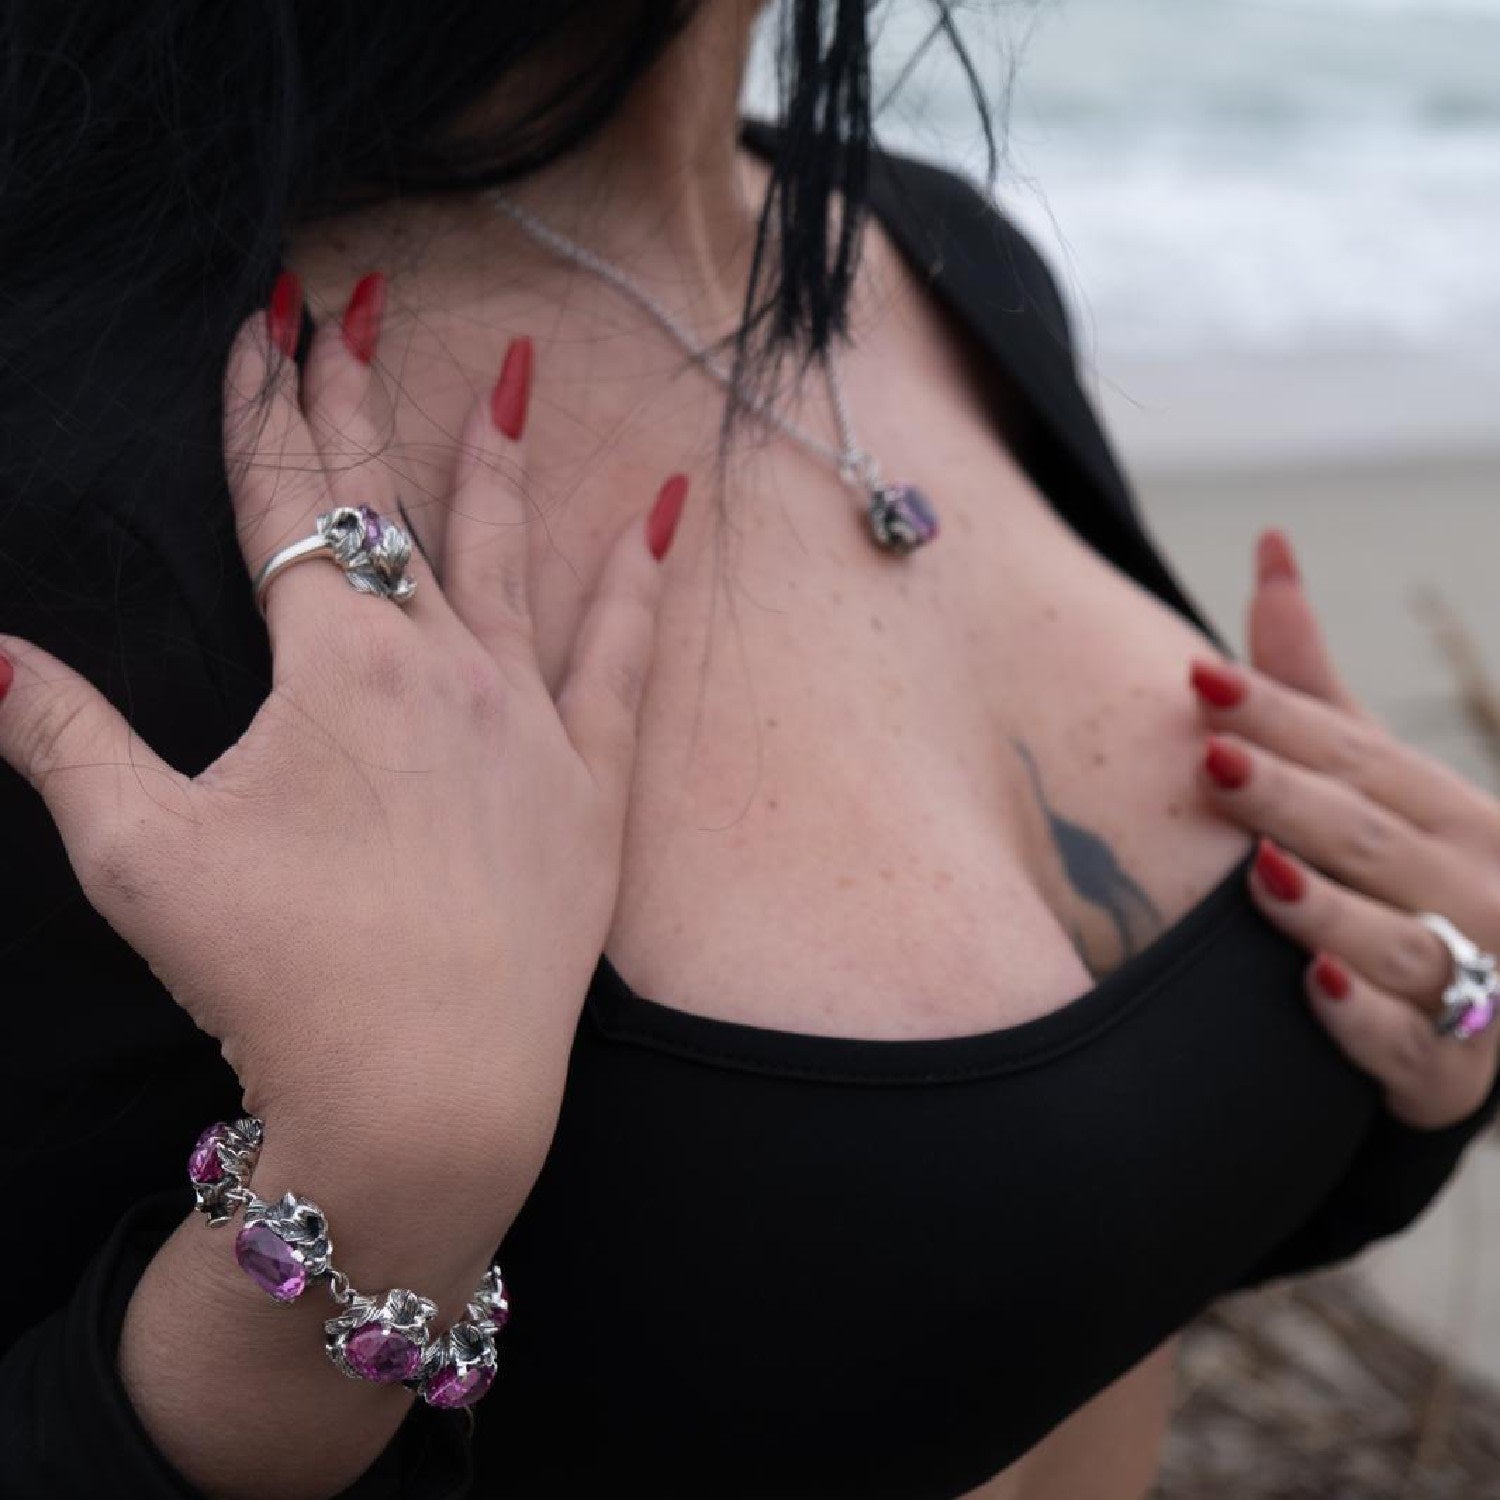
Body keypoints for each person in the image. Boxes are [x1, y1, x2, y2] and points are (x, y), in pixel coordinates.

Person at [2, 2, 1498, 1496]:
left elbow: (1078, 1252)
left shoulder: (934, 256)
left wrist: (1422, 1034)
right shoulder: (97, 473)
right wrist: (372, 1198)